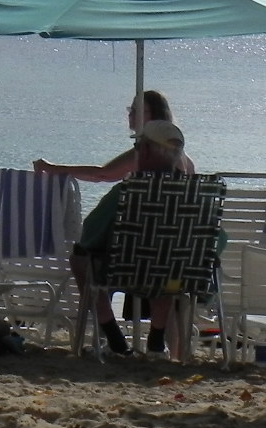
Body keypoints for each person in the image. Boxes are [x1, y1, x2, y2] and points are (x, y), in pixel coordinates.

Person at [69, 119, 194, 358]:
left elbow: (91, 232)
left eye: (137, 146)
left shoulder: (127, 192)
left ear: (144, 151)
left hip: (124, 272)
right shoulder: (195, 195)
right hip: (177, 278)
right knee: (169, 266)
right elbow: (217, 239)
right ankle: (156, 343)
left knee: (80, 258)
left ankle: (115, 339)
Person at [32, 89, 195, 181]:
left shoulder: (148, 154)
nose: (130, 114)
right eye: (130, 110)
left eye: (136, 110)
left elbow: (103, 174)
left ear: (155, 115)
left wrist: (51, 168)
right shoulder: (186, 160)